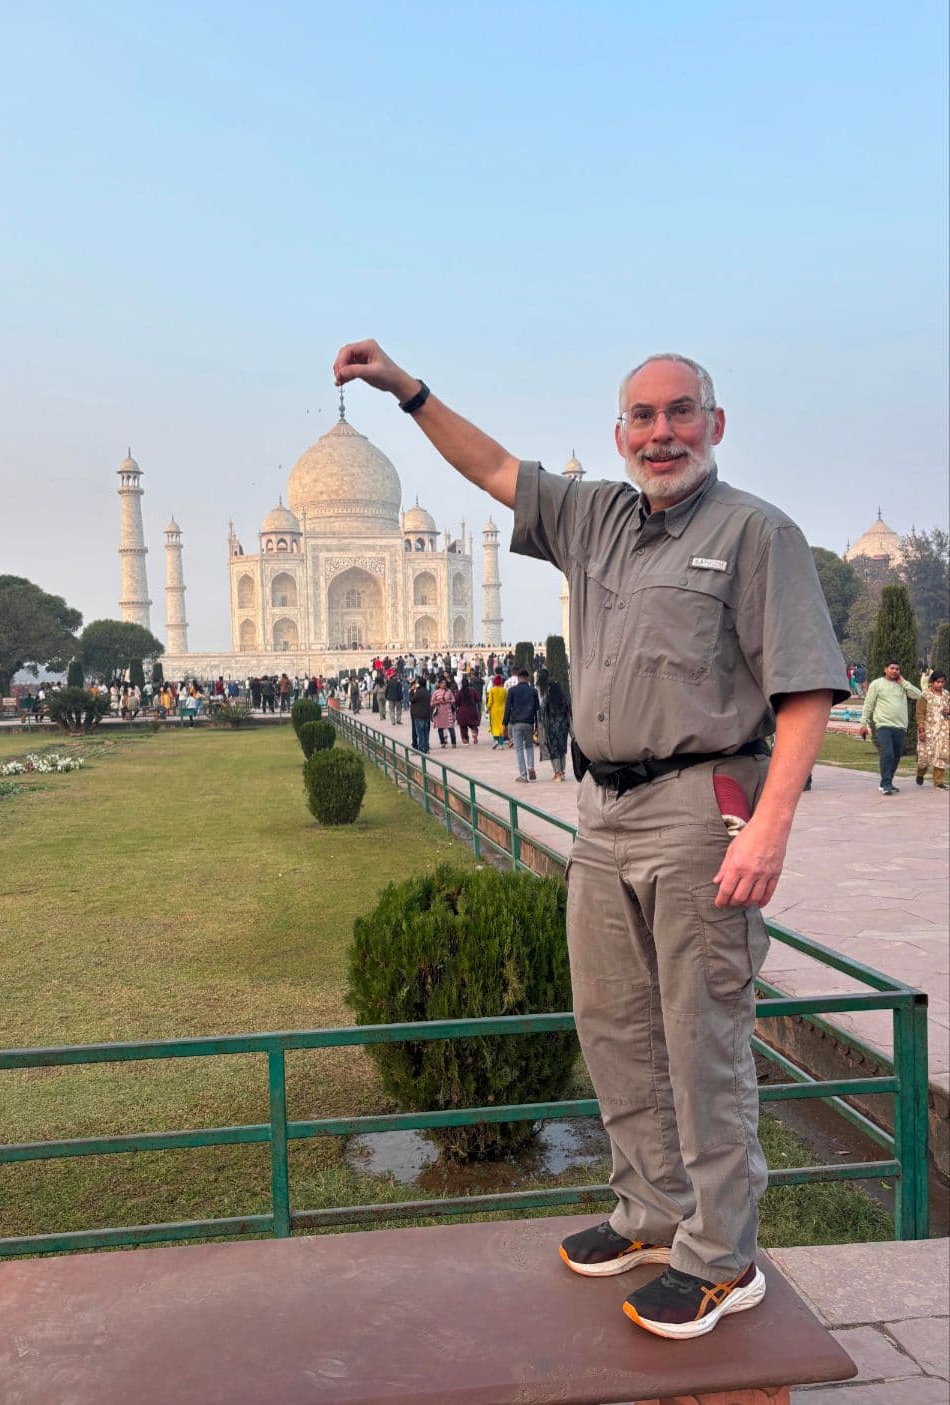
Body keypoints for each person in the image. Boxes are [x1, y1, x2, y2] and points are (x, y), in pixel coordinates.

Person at [333, 338, 847, 1340]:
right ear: (620, 435)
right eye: (643, 418)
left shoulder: (755, 532)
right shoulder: (595, 515)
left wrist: (769, 827)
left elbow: (805, 689)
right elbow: (490, 468)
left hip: (704, 805)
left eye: (681, 412)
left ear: (715, 424)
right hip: (603, 810)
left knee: (704, 1035)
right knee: (613, 1025)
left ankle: (722, 1254)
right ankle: (650, 1212)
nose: (663, 433)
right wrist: (410, 391)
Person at [859, 662, 923, 795]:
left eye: (897, 669)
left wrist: (904, 682)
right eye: (892, 668)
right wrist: (863, 724)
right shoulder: (877, 684)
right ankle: (886, 784)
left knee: (896, 755)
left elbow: (918, 695)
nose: (894, 671)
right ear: (885, 669)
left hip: (900, 726)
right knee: (888, 753)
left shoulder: (902, 685)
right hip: (883, 725)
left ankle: (887, 782)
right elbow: (868, 705)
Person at [502, 668, 539, 780]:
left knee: (518, 748)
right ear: (527, 678)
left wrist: (504, 723)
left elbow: (508, 708)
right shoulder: (533, 691)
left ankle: (523, 775)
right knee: (529, 746)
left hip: (516, 722)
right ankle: (531, 767)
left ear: (518, 678)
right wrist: (537, 725)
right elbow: (537, 709)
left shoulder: (512, 691)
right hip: (529, 722)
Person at [537, 667, 572, 781]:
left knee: (554, 749)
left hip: (552, 725)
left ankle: (558, 773)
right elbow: (567, 703)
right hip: (563, 724)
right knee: (562, 748)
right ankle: (562, 772)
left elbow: (542, 709)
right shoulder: (557, 686)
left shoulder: (547, 690)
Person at [915, 671, 949, 789]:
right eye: (937, 682)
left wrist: (948, 711)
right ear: (932, 682)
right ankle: (920, 773)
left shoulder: (946, 695)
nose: (940, 684)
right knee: (924, 756)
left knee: (941, 755)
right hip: (928, 729)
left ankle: (938, 781)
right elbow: (920, 713)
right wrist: (921, 729)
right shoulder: (925, 695)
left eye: (942, 682)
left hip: (943, 730)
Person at [431, 675, 457, 747]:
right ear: (439, 684)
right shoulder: (436, 692)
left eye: (445, 683)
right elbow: (432, 702)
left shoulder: (449, 691)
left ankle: (453, 743)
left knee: (451, 728)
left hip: (448, 712)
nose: (444, 684)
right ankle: (442, 743)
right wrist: (438, 702)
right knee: (440, 728)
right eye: (442, 683)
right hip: (440, 713)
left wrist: (448, 701)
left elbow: (453, 700)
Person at [455, 676, 481, 744]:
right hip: (472, 710)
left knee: (463, 727)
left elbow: (456, 701)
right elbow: (478, 699)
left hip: (462, 711)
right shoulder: (473, 690)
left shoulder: (460, 692)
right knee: (473, 724)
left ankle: (465, 739)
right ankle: (474, 733)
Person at [409, 675, 432, 752]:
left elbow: (412, 700)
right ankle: (426, 748)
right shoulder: (427, 692)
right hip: (426, 715)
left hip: (419, 715)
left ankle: (421, 748)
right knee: (426, 733)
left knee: (420, 733)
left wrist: (411, 691)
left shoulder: (419, 692)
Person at [486, 673, 508, 748]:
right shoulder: (504, 690)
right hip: (502, 710)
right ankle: (501, 744)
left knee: (494, 726)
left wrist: (488, 708)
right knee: (501, 726)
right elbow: (506, 701)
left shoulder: (492, 690)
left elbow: (490, 701)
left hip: (494, 710)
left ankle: (495, 741)